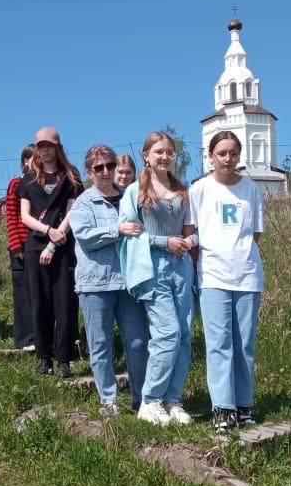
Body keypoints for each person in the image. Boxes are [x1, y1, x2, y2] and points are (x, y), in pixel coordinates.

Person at [188, 131, 266, 432]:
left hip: (247, 275)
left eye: (233, 153)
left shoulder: (252, 190)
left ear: (239, 155)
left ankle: (244, 404)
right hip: (213, 276)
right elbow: (190, 230)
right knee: (219, 343)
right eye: (221, 153)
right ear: (211, 156)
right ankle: (222, 407)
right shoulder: (200, 190)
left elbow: (255, 234)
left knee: (244, 343)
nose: (227, 158)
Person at [119, 131, 196, 426]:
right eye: (159, 152)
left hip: (182, 267)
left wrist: (189, 243)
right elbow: (129, 230)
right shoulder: (135, 192)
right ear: (146, 155)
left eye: (169, 152)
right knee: (167, 333)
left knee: (185, 335)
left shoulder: (182, 191)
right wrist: (166, 243)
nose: (164, 157)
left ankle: (172, 400)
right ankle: (150, 401)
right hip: (152, 268)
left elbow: (192, 230)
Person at [71, 144, 149, 416]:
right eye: (99, 168)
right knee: (100, 343)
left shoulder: (130, 197)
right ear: (89, 172)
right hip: (95, 284)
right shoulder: (82, 203)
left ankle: (141, 400)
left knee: (138, 342)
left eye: (110, 166)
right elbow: (86, 238)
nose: (106, 172)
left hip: (129, 282)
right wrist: (117, 230)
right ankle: (108, 399)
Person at [19, 126, 82, 377]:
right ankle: (44, 357)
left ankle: (64, 358)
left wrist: (56, 240)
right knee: (40, 302)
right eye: (40, 146)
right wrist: (48, 231)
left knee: (64, 302)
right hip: (35, 246)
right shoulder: (29, 179)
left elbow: (72, 211)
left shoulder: (70, 176)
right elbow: (25, 216)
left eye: (48, 145)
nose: (44, 150)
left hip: (63, 245)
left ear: (57, 147)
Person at [4, 144, 36, 351]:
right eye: (30, 158)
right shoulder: (15, 183)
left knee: (39, 294)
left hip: (40, 246)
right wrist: (17, 247)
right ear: (24, 162)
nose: (34, 161)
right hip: (21, 247)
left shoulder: (46, 184)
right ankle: (25, 339)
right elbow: (12, 217)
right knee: (23, 294)